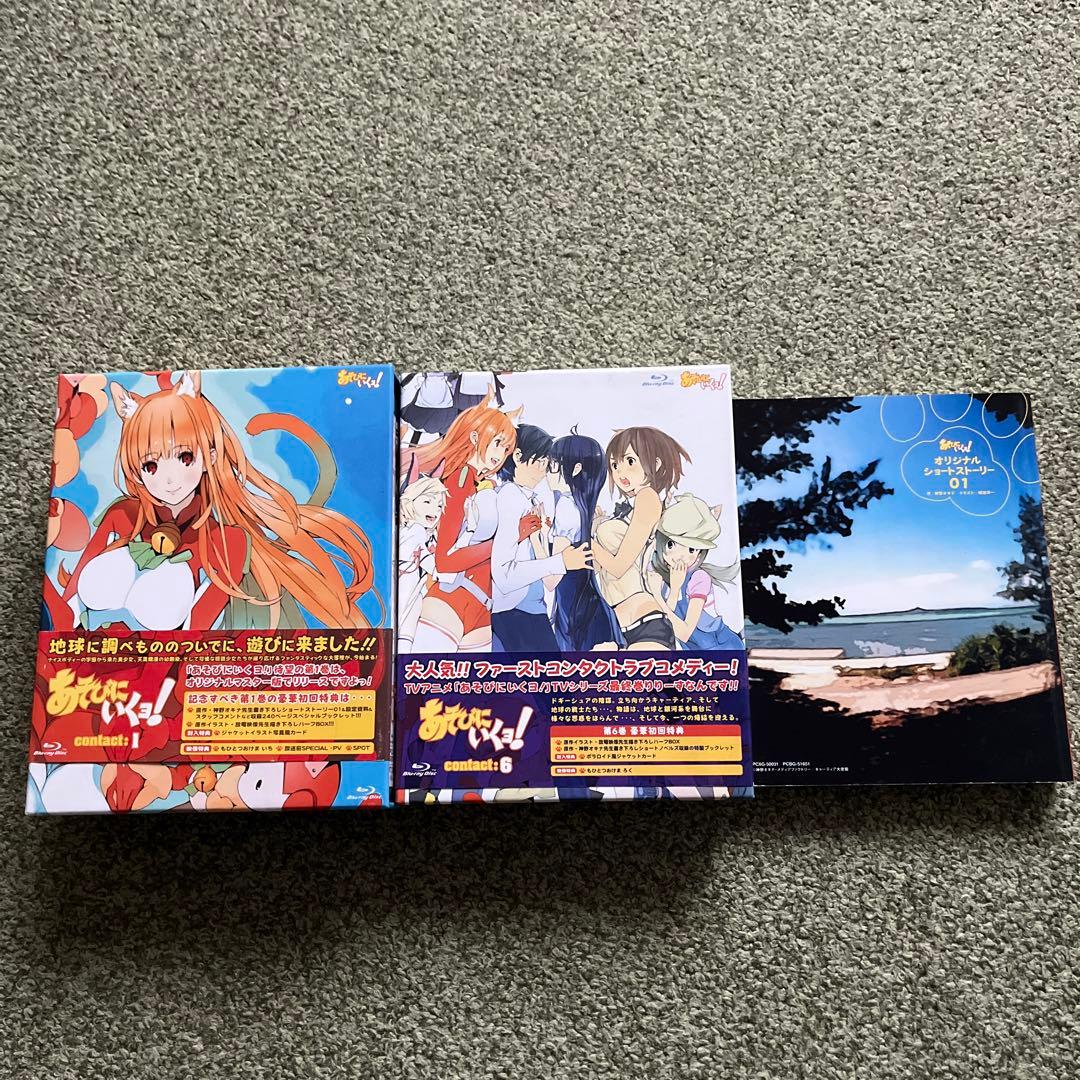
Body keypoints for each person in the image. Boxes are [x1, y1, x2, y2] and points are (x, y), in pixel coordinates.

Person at [45, 371, 378, 633]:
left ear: (210, 456)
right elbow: (71, 595)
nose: (169, 480)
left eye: (185, 458)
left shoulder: (226, 541)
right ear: (136, 470)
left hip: (161, 676)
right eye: (151, 466)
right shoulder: (123, 515)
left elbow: (197, 631)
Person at [489, 424, 591, 652]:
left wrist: (541, 540)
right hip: (515, 611)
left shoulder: (532, 501)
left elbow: (550, 581)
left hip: (531, 608)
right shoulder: (509, 496)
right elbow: (504, 575)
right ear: (518, 457)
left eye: (547, 461)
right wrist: (560, 561)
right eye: (541, 460)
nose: (545, 468)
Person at [591, 426, 690, 650]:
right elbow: (600, 569)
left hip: (645, 621)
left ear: (655, 464)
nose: (620, 472)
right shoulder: (629, 508)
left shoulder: (647, 498)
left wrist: (586, 541)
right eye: (615, 465)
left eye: (630, 461)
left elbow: (619, 567)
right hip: (617, 624)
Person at [546, 430, 621, 651]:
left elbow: (551, 579)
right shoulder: (581, 505)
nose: (547, 471)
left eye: (553, 465)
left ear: (576, 468)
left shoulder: (566, 507)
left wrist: (534, 536)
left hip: (575, 610)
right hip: (587, 606)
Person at [645, 495, 744, 650]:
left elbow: (684, 633)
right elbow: (665, 620)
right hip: (693, 652)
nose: (681, 556)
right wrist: (673, 590)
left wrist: (658, 596)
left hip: (720, 649)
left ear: (699, 554)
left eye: (691, 549)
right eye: (671, 544)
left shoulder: (699, 578)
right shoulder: (659, 576)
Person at [397, 476, 447, 651]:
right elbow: (423, 557)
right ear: (409, 503)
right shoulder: (414, 530)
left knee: (406, 634)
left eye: (439, 506)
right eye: (427, 501)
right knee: (403, 633)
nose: (435, 510)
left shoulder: (426, 534)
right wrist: (441, 571)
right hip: (404, 587)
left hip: (414, 590)